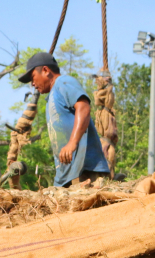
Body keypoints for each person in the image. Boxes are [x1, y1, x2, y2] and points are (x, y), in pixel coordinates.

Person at [18, 52, 109, 187]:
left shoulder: (64, 82)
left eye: (33, 77)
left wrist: (72, 143)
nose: (32, 84)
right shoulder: (52, 96)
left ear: (45, 70)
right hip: (67, 176)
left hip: (86, 171)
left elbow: (83, 108)